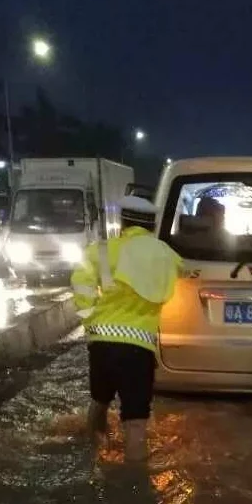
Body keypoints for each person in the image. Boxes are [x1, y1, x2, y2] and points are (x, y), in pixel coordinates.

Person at [71, 196, 181, 462]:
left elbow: (80, 286)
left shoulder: (99, 251)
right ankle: (134, 486)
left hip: (102, 344)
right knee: (135, 421)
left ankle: (90, 454)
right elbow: (184, 271)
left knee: (99, 402)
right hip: (138, 348)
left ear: (122, 222)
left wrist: (90, 322)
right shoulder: (165, 254)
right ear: (152, 225)